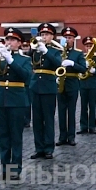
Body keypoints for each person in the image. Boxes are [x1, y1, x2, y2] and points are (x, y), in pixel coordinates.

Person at [0, 27, 34, 181]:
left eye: (13, 40)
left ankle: (14, 169)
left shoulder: (25, 60)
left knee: (15, 136)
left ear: (20, 43)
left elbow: (26, 76)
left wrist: (11, 60)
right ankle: (4, 169)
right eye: (7, 39)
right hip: (1, 99)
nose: (9, 42)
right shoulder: (0, 58)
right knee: (4, 136)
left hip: (17, 100)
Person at [30, 24, 63, 160]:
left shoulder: (55, 50)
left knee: (48, 119)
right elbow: (29, 61)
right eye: (42, 34)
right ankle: (39, 148)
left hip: (48, 86)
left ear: (52, 36)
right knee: (37, 120)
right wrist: (36, 48)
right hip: (35, 86)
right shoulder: (36, 49)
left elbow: (57, 63)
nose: (44, 37)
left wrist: (46, 52)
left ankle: (49, 148)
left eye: (47, 35)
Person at [57, 27, 87, 146]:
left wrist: (73, 63)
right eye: (65, 38)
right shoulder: (58, 53)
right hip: (60, 83)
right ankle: (62, 137)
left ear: (74, 39)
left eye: (70, 38)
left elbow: (83, 69)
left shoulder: (78, 53)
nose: (67, 40)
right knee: (61, 112)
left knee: (71, 111)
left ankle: (71, 136)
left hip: (72, 83)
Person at [78, 36, 96, 135]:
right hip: (83, 84)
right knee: (83, 106)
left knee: (92, 106)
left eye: (90, 46)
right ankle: (83, 126)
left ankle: (92, 127)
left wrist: (94, 70)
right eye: (87, 46)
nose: (88, 48)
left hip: (93, 84)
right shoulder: (81, 57)